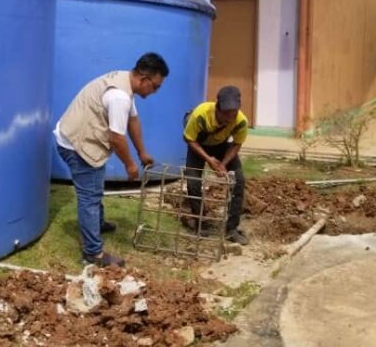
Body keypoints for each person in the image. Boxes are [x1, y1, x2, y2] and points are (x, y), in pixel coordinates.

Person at [54, 52, 169, 267]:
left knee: (95, 184)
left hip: (82, 136)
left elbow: (132, 120)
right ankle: (93, 253)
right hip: (76, 143)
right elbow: (116, 138)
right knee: (89, 195)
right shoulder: (119, 96)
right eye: (155, 86)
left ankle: (97, 224)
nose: (155, 91)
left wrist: (142, 152)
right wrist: (130, 165)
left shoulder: (127, 82)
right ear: (144, 79)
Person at [182, 86, 249, 245]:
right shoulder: (200, 114)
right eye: (225, 114)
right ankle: (200, 224)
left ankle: (232, 229)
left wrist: (223, 164)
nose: (229, 119)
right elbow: (190, 139)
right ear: (217, 107)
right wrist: (209, 160)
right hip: (198, 145)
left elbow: (236, 145)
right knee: (192, 183)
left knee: (239, 181)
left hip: (221, 146)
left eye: (233, 114)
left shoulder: (240, 121)